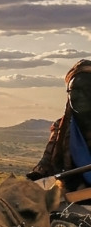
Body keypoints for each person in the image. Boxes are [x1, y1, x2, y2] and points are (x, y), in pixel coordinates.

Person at [27, 59, 91, 191]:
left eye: (87, 89)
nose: (79, 96)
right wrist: (34, 178)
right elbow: (47, 163)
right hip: (69, 197)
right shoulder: (61, 127)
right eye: (74, 90)